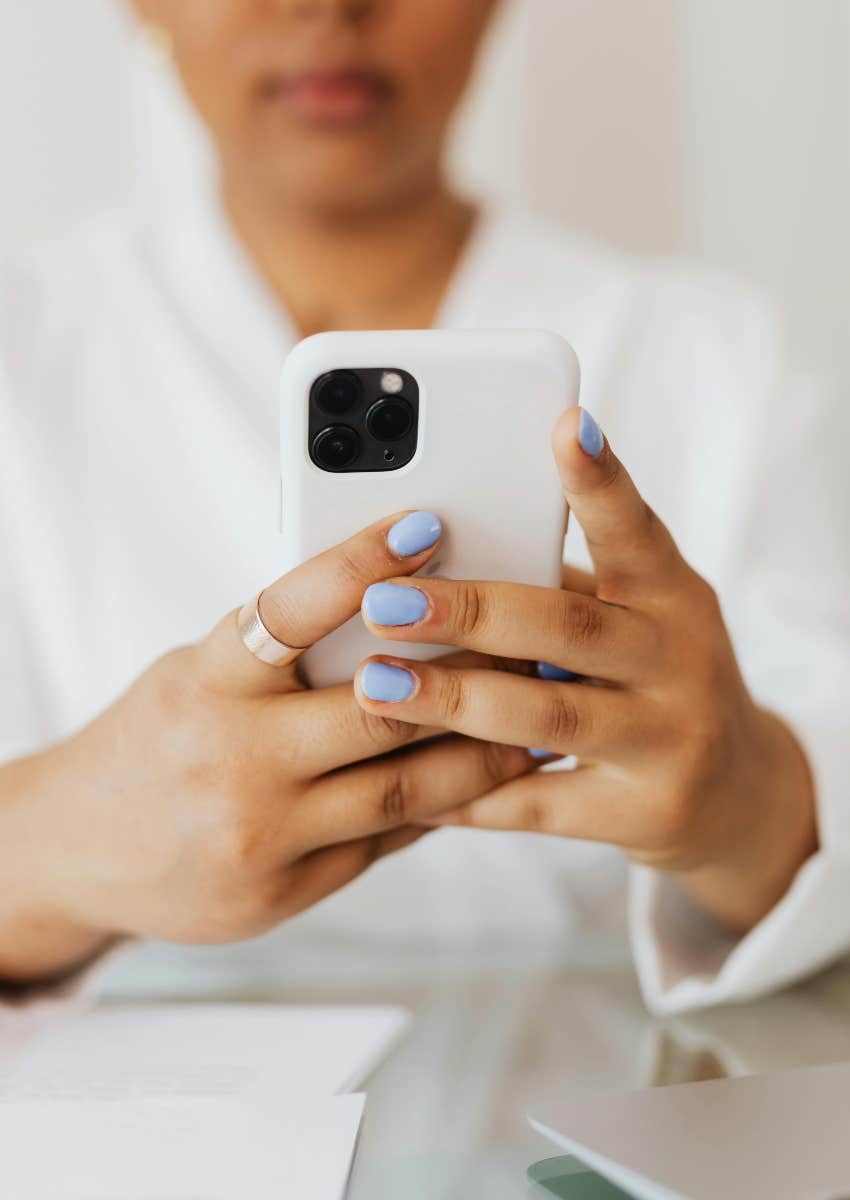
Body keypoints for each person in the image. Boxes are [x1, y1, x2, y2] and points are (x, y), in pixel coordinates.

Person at [0, 0, 848, 1018]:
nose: (332, 9)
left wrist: (745, 801)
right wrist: (53, 839)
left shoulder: (715, 358)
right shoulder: (24, 345)